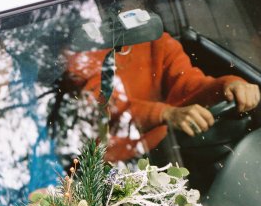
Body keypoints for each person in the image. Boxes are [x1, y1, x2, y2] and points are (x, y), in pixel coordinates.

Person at [66, 32, 260, 162]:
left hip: (163, 151)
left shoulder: (155, 38)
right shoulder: (81, 56)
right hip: (113, 164)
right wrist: (166, 113)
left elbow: (188, 83)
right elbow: (108, 107)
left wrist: (230, 85)